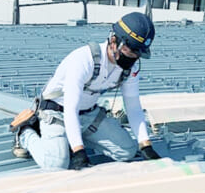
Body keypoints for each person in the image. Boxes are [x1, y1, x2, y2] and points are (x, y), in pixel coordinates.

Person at [10, 12, 162, 170]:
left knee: (127, 151)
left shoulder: (130, 68)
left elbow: (133, 107)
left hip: (88, 114)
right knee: (56, 164)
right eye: (130, 52)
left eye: (138, 54)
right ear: (114, 40)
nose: (133, 58)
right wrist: (78, 151)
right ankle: (24, 132)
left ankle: (72, 137)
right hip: (57, 113)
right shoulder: (84, 60)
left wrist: (145, 145)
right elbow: (70, 108)